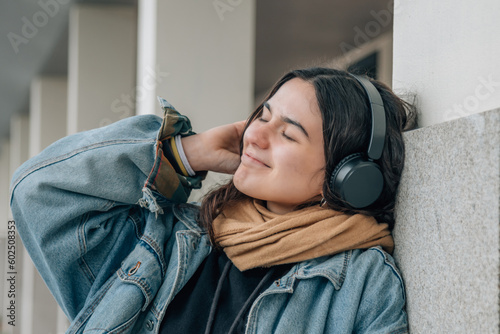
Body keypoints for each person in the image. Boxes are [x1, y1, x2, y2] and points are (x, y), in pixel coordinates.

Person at [10, 67, 415, 333]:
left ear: (349, 179)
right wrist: (185, 153)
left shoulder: (363, 283)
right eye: (264, 115)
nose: (254, 134)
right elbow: (39, 193)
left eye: (288, 134)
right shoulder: (168, 244)